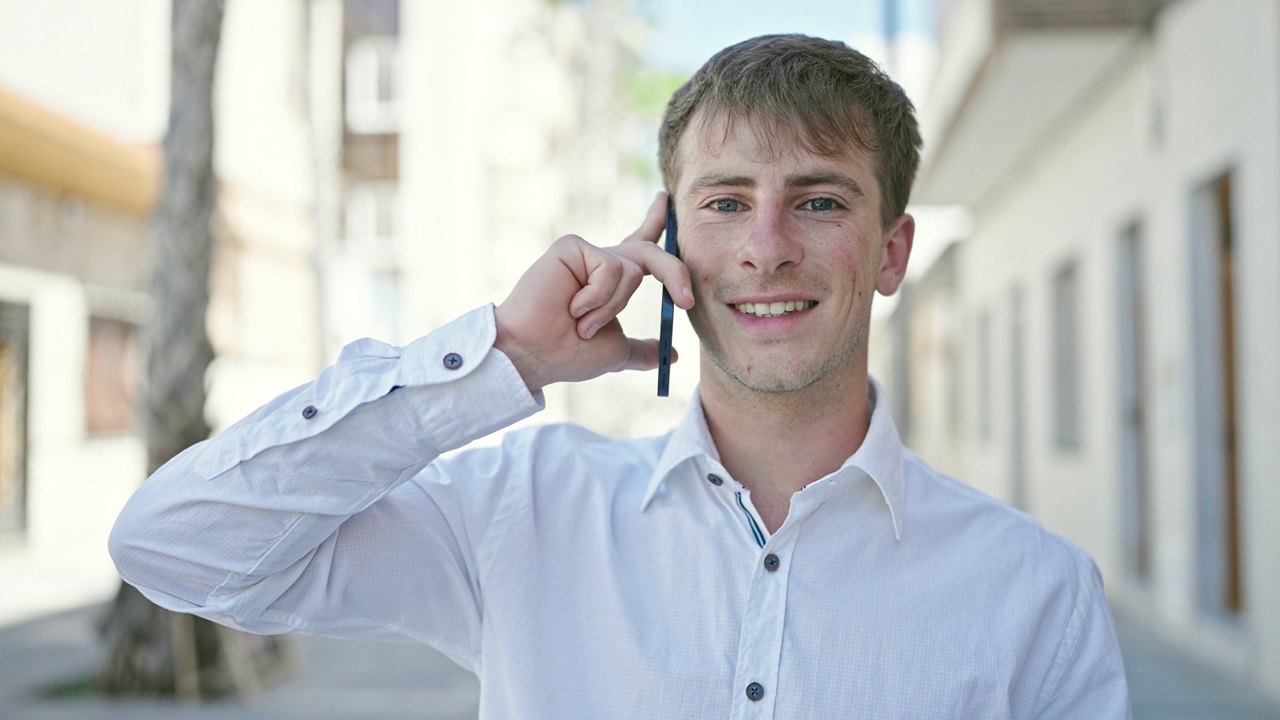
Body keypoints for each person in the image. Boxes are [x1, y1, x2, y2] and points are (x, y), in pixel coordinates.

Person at [111, 34, 1132, 718]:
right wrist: (502, 359)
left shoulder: (1036, 592)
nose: (765, 248)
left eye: (818, 202)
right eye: (725, 202)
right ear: (667, 236)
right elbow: (174, 544)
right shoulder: (524, 509)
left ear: (892, 250)